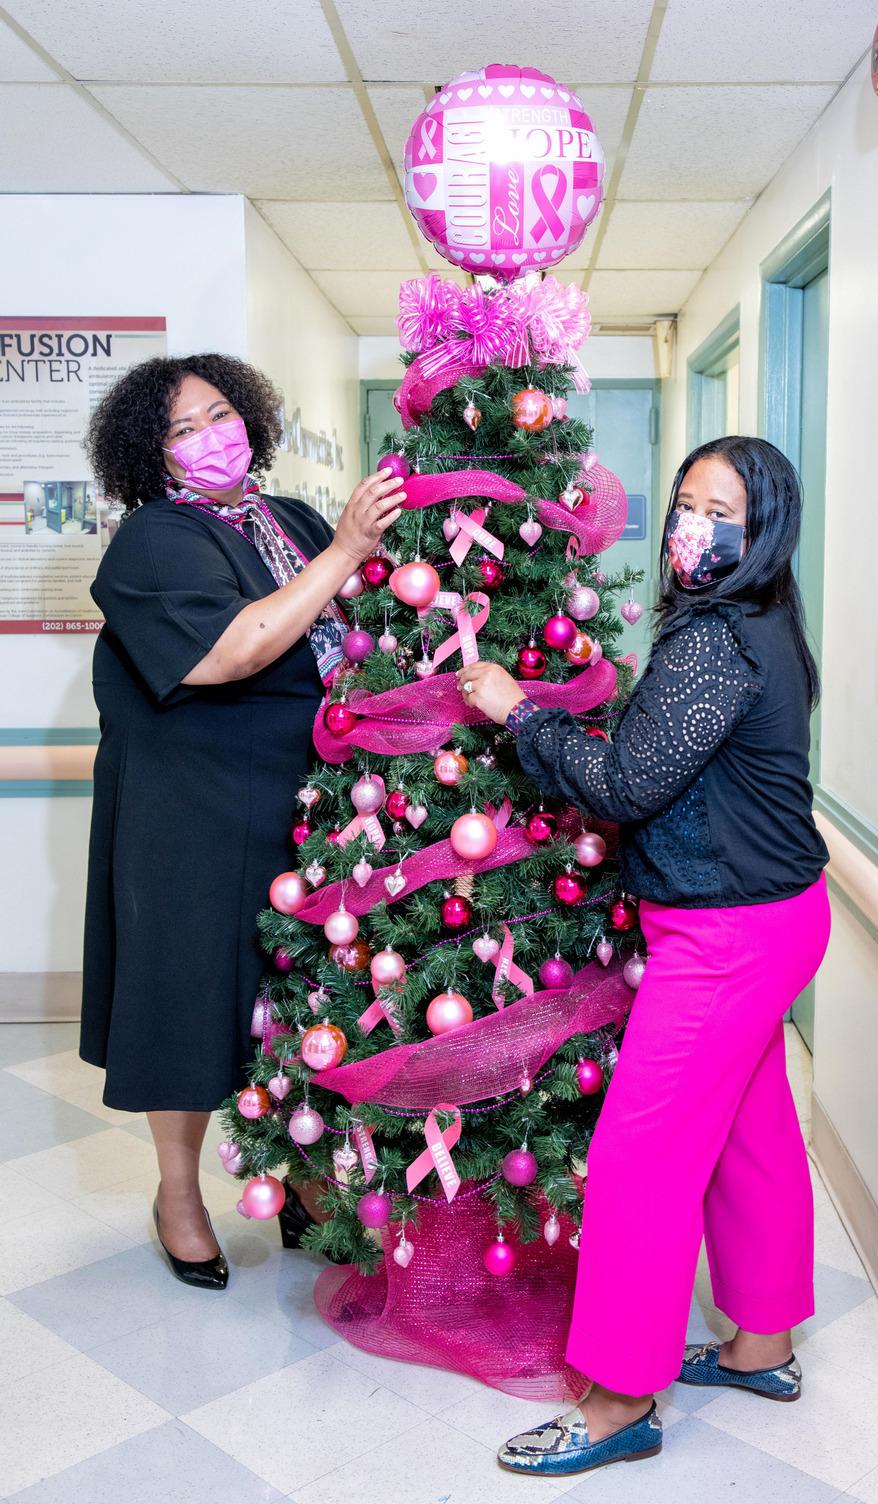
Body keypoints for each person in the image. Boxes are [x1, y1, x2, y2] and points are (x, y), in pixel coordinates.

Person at [459, 436, 830, 1477]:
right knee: (751, 1130)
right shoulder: (762, 621)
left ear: (760, 538)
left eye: (723, 513)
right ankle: (761, 1342)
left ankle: (619, 1400)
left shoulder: (716, 639)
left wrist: (518, 714)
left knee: (640, 1158)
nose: (693, 525)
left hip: (727, 935)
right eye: (686, 502)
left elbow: (627, 783)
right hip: (771, 915)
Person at [80, 353, 403, 1290]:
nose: (209, 436)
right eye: (182, 429)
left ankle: (302, 1177)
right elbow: (229, 652)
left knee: (293, 1003)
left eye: (219, 414)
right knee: (183, 1005)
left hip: (297, 803)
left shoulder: (285, 517)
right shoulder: (151, 540)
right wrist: (344, 551)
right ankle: (177, 1195)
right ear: (151, 453)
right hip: (190, 814)